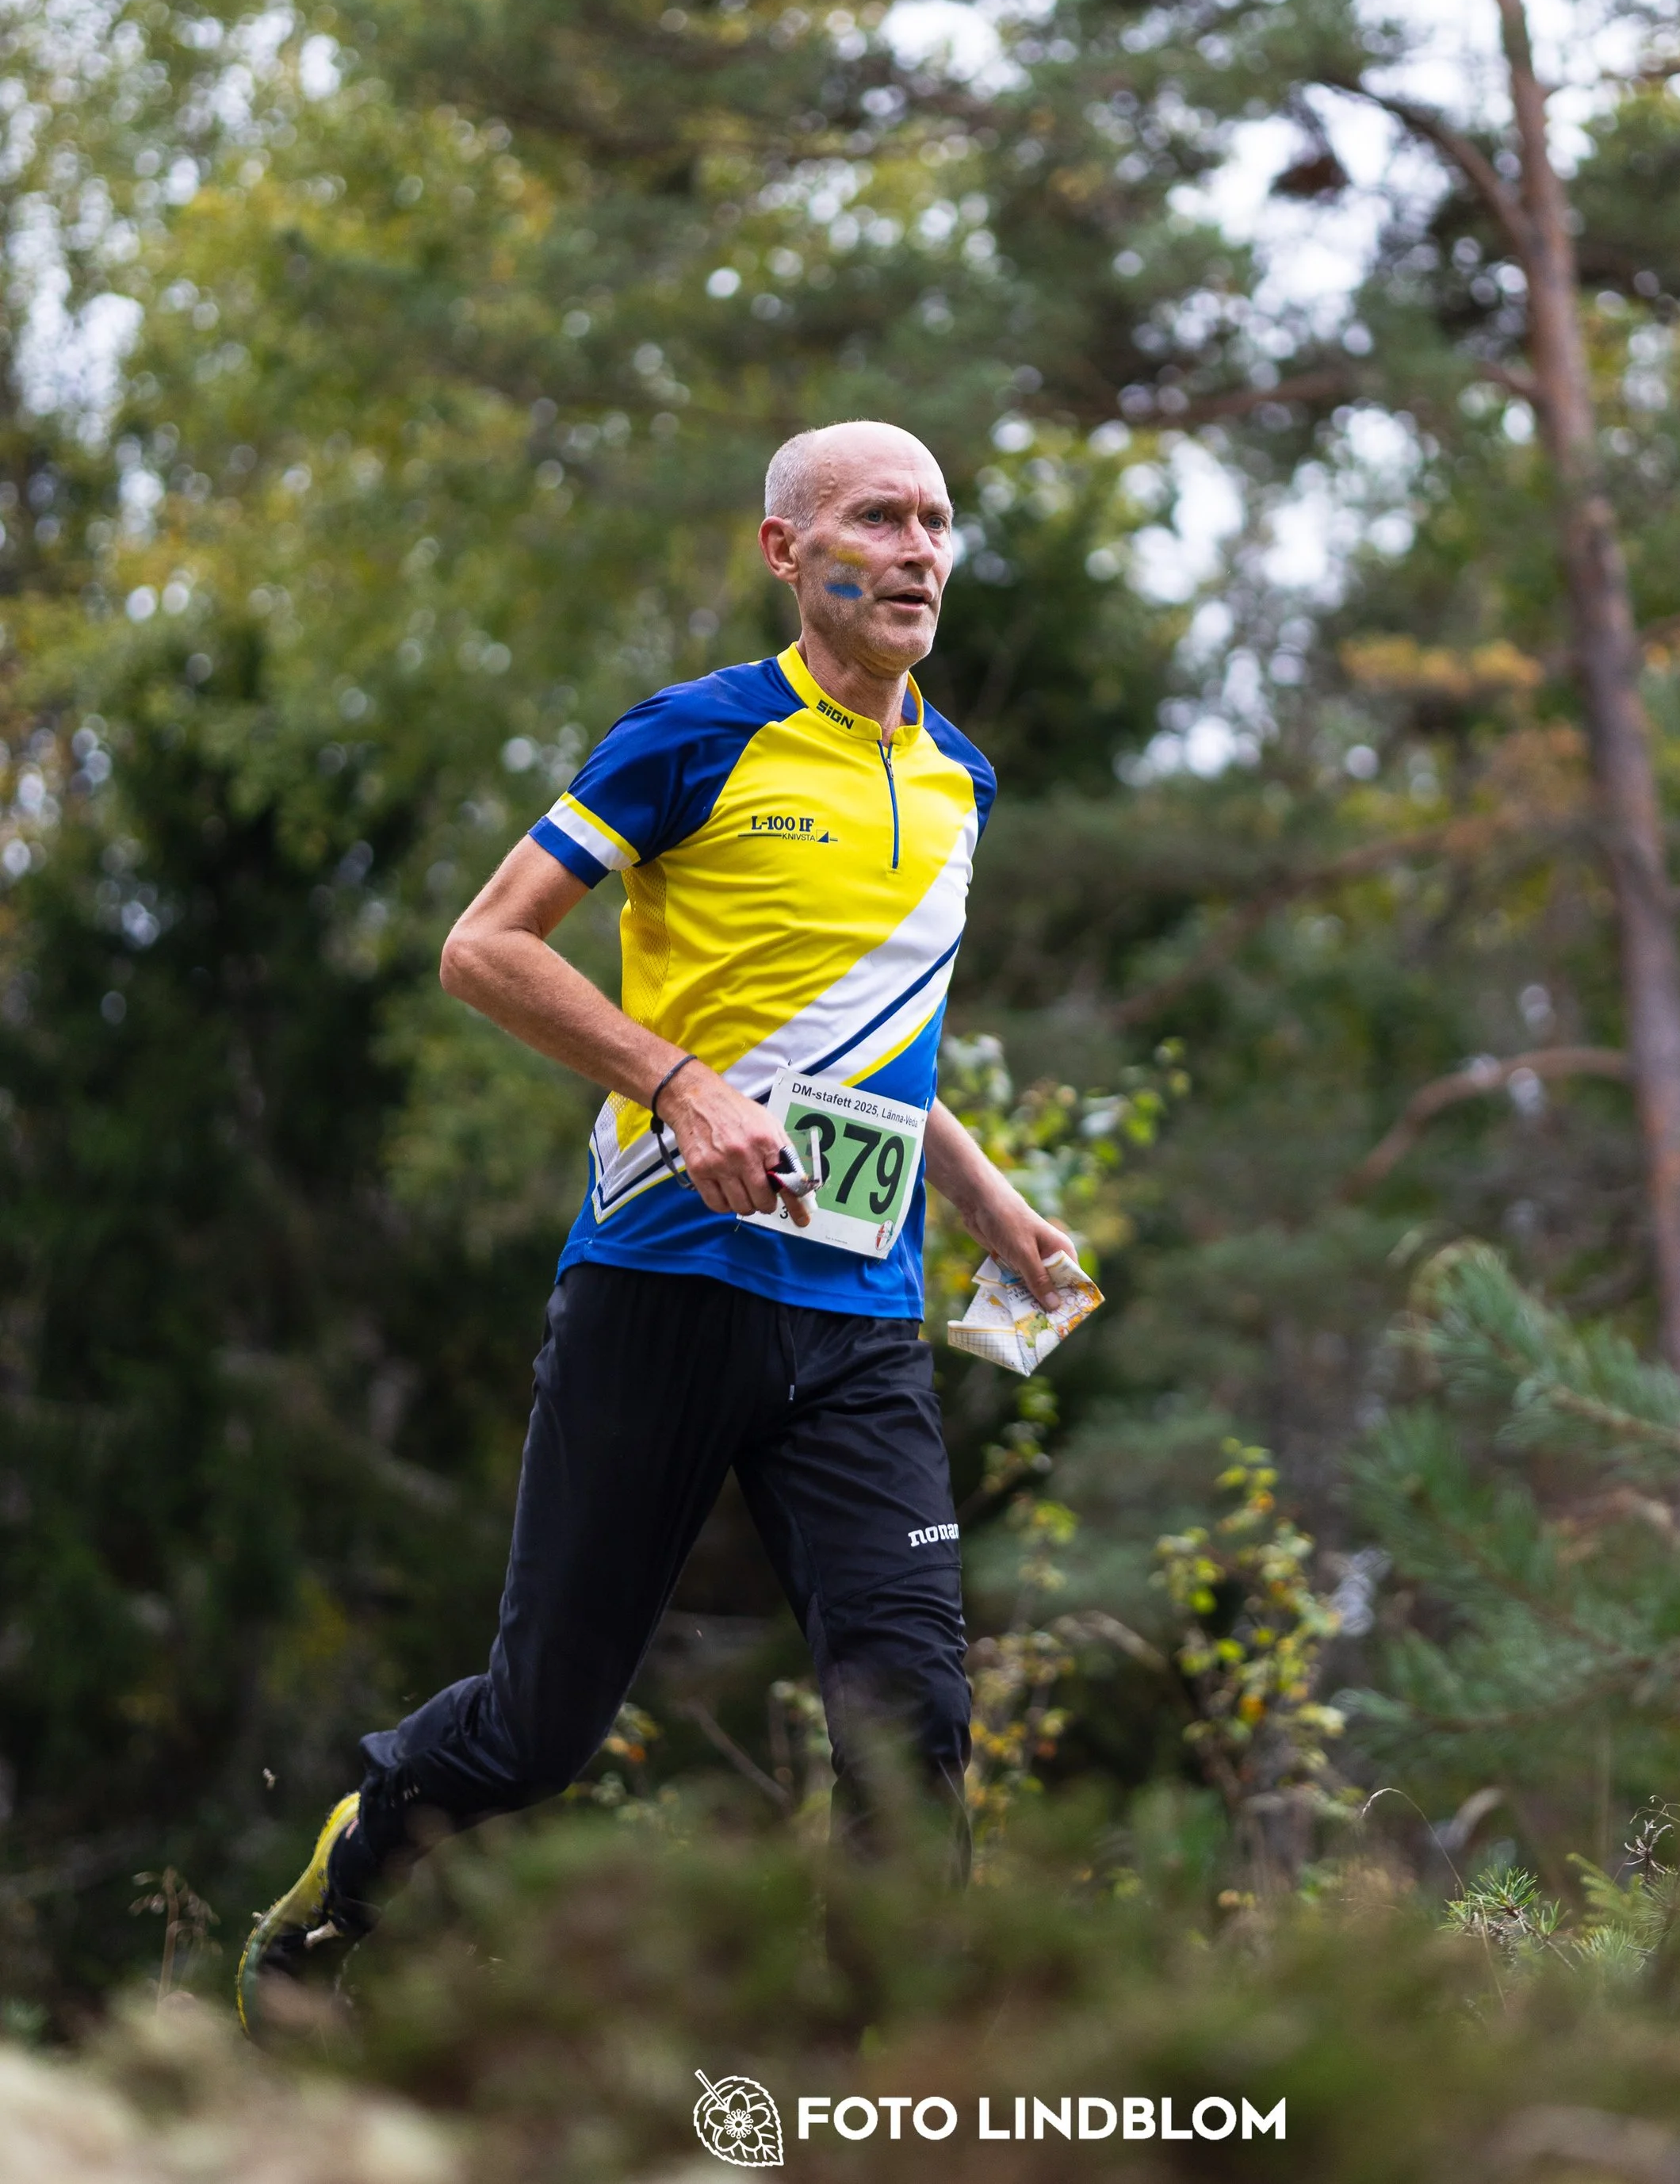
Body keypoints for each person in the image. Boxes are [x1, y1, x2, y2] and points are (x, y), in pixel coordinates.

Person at [237, 419, 1074, 2032]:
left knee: (908, 1716)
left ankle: (882, 2085)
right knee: (536, 1731)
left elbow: (871, 1044)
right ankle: (347, 1880)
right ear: (784, 553)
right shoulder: (693, 738)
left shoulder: (958, 775)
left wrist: (992, 1199)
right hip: (658, 1289)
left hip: (855, 1317)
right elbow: (483, 949)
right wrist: (678, 1084)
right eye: (874, 521)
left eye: (935, 523)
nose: (913, 552)